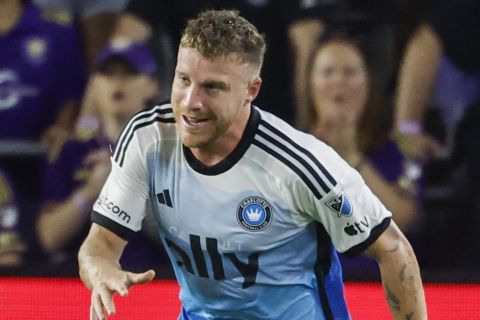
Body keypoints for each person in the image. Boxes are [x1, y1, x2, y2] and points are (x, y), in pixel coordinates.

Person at [78, 10, 427, 320]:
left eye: (212, 87)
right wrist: (102, 271)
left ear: (251, 89)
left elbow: (394, 251)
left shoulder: (299, 164)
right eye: (184, 79)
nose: (190, 101)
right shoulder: (147, 138)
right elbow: (100, 244)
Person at [37, 39, 164, 276]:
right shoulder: (72, 151)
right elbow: (49, 238)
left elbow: (179, 235)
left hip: (153, 279)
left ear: (152, 85)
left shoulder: (166, 150)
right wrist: (92, 189)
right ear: (94, 83)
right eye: (107, 74)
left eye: (129, 74)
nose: (116, 82)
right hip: (80, 281)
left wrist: (126, 180)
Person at [300, 35, 421, 278]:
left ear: (368, 83)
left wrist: (351, 157)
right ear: (310, 84)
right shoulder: (290, 149)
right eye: (328, 72)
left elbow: (404, 220)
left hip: (377, 286)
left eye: (349, 72)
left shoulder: (399, 151)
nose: (338, 82)